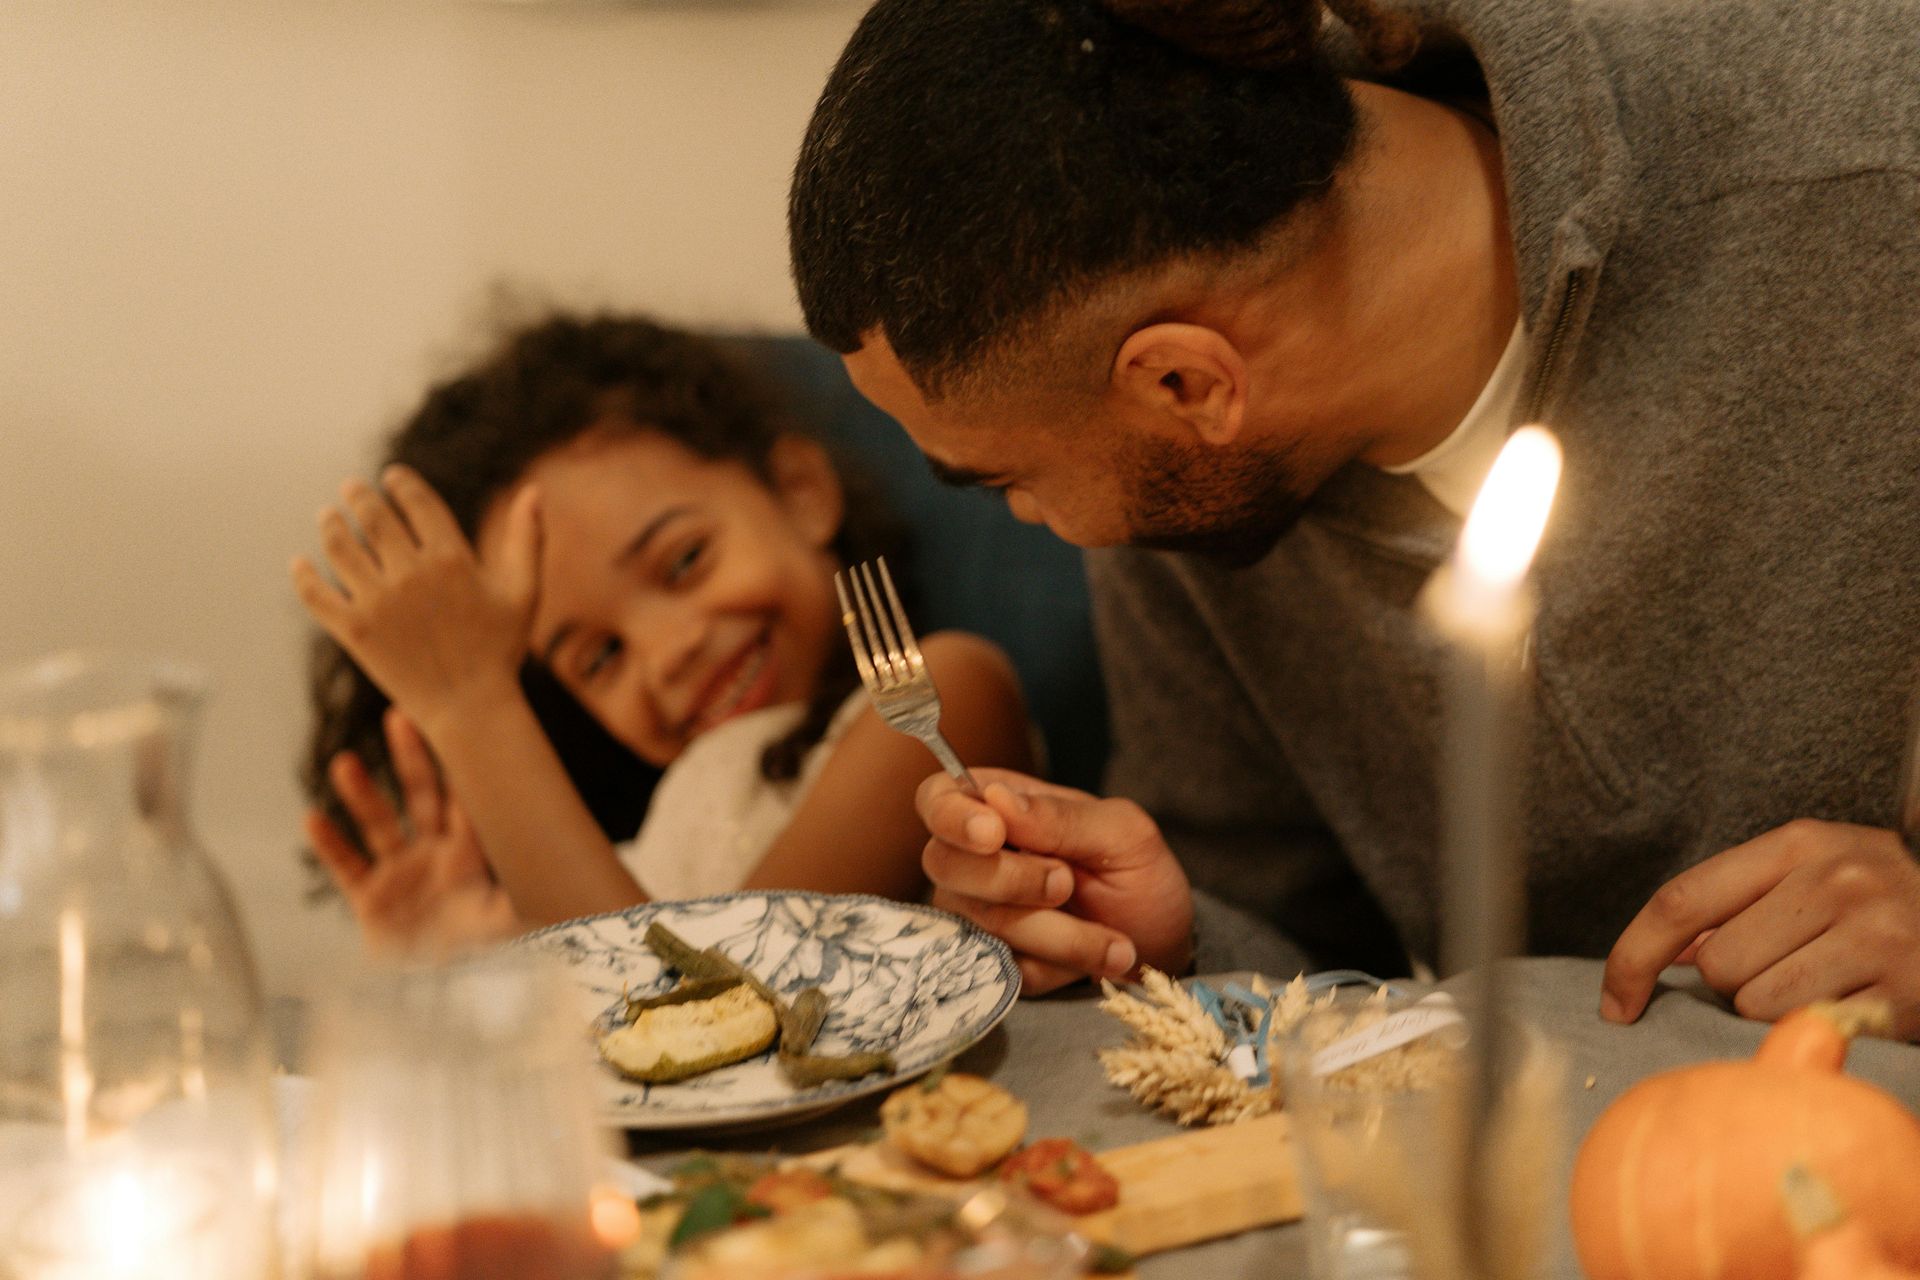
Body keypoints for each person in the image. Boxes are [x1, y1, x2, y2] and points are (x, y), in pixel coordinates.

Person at [786, 0, 1920, 1036]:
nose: (1036, 521)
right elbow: (1322, 966)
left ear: (1187, 383)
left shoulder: (1871, 171)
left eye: (1003, 480)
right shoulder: (1195, 523)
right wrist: (1171, 939)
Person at [292, 313, 1036, 954]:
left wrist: (471, 707)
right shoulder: (630, 854)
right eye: (600, 657)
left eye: (683, 561)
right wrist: (458, 966)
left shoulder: (938, 701)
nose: (667, 652)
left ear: (800, 492)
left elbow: (708, 1008)